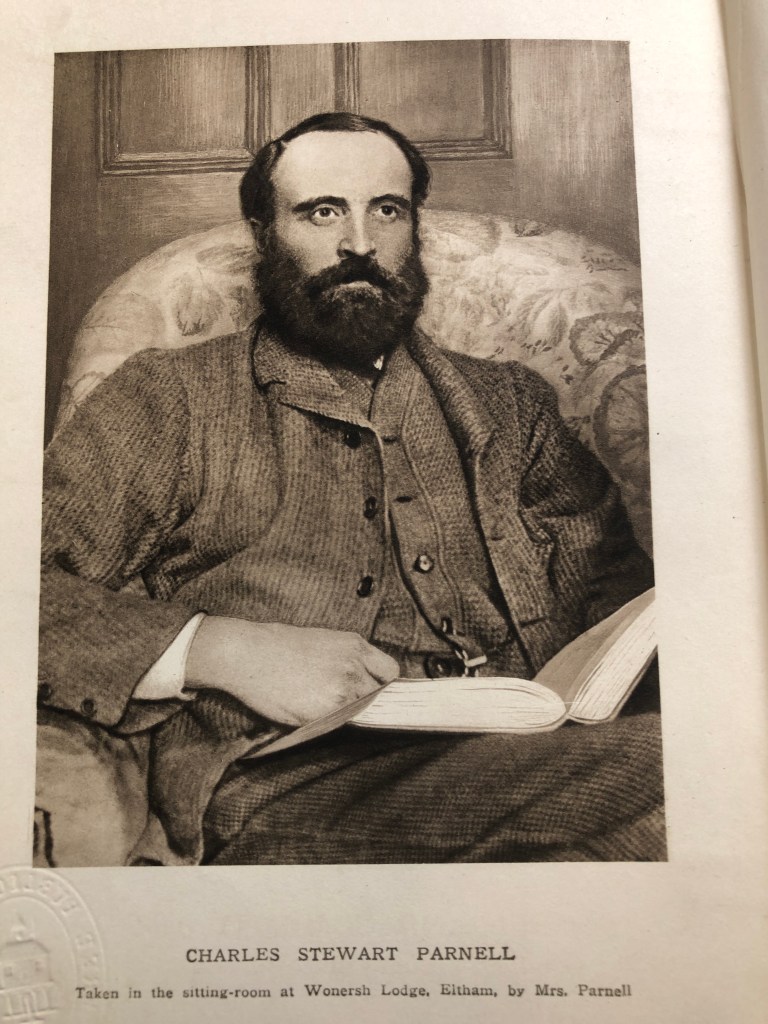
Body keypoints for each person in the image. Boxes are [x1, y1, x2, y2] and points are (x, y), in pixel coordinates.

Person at [38, 112, 662, 866]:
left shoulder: (513, 406)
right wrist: (218, 648)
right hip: (282, 779)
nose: (360, 244)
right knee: (673, 774)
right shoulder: (169, 397)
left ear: (414, 230)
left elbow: (617, 600)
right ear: (265, 235)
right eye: (322, 212)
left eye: (387, 210)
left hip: (531, 755)